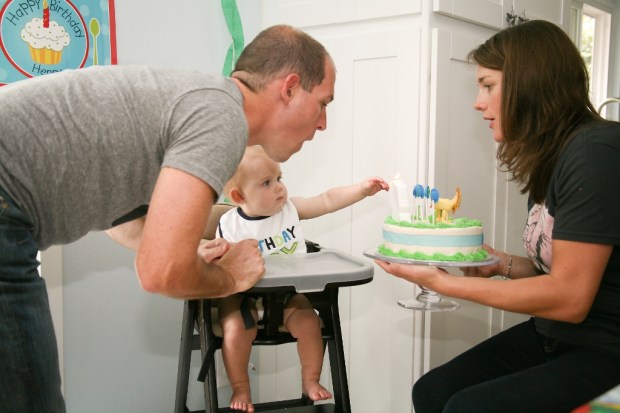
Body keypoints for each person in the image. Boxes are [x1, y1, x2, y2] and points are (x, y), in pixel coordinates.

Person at [0, 25, 336, 412]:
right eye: (322, 103)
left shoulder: (198, 105)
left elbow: (119, 219)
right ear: (290, 88)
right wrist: (230, 278)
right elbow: (159, 272)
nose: (323, 123)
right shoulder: (222, 118)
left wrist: (188, 250)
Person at [375, 20, 620, 413]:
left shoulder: (595, 152)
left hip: (606, 349)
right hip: (554, 336)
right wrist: (501, 263)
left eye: (488, 85)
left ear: (529, 84)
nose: (478, 102)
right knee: (432, 392)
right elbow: (558, 269)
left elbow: (570, 297)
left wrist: (443, 284)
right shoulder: (554, 155)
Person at [214, 145, 388, 412]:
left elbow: (327, 200)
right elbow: (220, 268)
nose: (279, 188)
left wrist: (361, 190)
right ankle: (240, 387)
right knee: (236, 329)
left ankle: (310, 379)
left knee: (309, 322)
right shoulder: (230, 226)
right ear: (239, 195)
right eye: (266, 183)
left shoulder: (290, 210)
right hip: (244, 297)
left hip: (289, 294)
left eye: (279, 178)